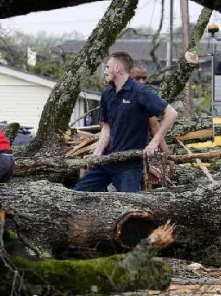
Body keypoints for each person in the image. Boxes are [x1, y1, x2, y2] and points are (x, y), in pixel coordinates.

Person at [74, 52, 178, 192]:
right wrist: (98, 152)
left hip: (130, 165)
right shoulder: (107, 94)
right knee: (78, 195)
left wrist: (154, 143)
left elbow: (171, 113)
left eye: (107, 67)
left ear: (117, 68)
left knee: (130, 207)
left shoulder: (140, 92)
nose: (104, 71)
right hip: (106, 160)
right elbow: (106, 128)